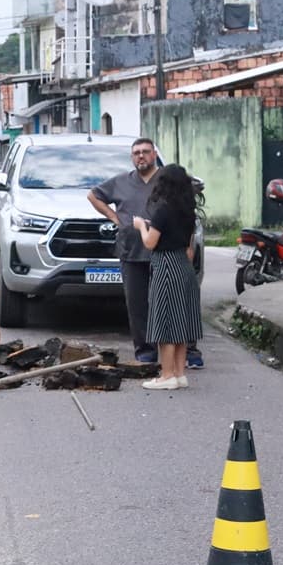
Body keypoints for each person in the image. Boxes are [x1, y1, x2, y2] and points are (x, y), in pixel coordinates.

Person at [88, 138, 204, 368]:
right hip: (132, 252)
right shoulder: (121, 181)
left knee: (177, 304)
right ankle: (145, 352)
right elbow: (93, 196)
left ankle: (190, 352)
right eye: (136, 153)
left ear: (154, 155)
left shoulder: (170, 180)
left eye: (145, 152)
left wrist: (189, 247)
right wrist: (115, 218)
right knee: (137, 304)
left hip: (168, 254)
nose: (141, 156)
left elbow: (187, 212)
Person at [132, 164, 203, 390]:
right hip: (184, 266)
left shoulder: (162, 210)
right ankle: (180, 374)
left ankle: (167, 375)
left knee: (165, 323)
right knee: (182, 324)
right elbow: (189, 247)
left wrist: (141, 226)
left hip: (165, 265)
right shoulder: (188, 212)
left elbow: (150, 243)